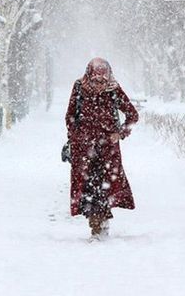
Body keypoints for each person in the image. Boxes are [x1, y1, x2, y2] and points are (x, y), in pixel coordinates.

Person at [65, 57, 139, 240]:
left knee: (104, 188)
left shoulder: (113, 90)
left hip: (108, 151)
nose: (99, 84)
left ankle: (100, 226)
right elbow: (70, 116)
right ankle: (96, 224)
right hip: (84, 150)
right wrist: (76, 136)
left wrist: (120, 133)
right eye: (96, 80)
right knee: (88, 188)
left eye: (103, 80)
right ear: (89, 75)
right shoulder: (79, 87)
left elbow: (132, 115)